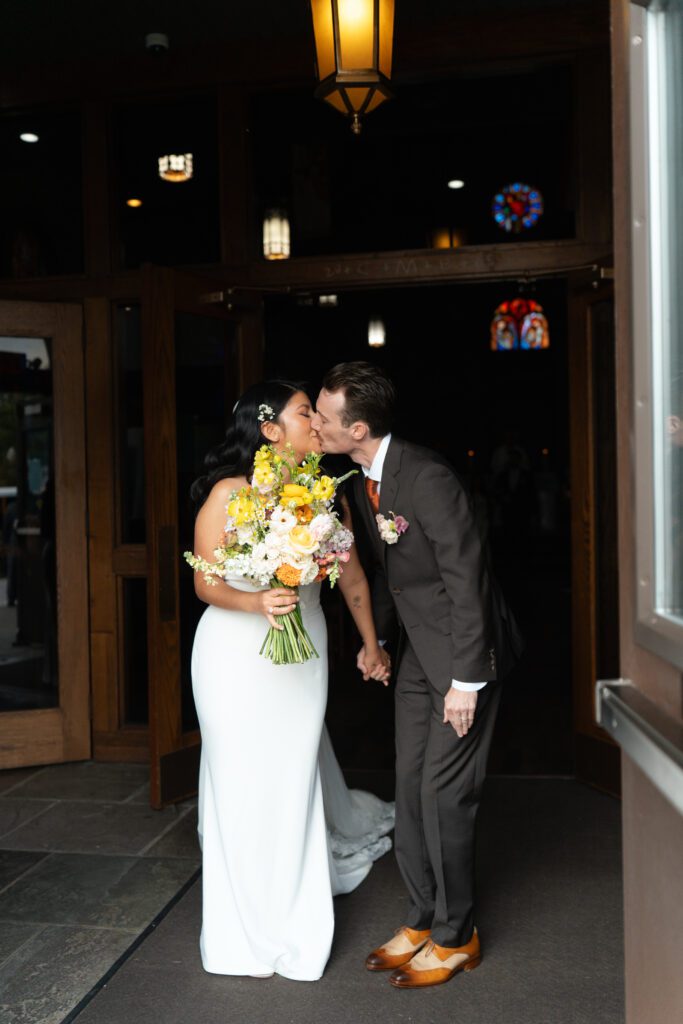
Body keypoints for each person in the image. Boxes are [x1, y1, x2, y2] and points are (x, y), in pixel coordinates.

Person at [312, 362, 523, 990]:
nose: (315, 425)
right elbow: (391, 574)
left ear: (356, 427)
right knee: (408, 784)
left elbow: (467, 579)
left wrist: (467, 681)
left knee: (445, 794)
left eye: (323, 417)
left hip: (462, 660)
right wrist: (373, 645)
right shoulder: (360, 481)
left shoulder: (427, 478)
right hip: (413, 656)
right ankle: (421, 917)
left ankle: (458, 935)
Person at [190, 380, 394, 982]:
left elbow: (352, 578)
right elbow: (205, 582)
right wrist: (256, 605)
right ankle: (243, 921)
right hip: (234, 653)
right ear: (271, 429)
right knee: (240, 776)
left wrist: (370, 641)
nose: (318, 421)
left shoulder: (328, 499)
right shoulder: (231, 493)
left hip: (301, 653)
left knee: (292, 769)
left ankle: (293, 904)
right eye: (306, 412)